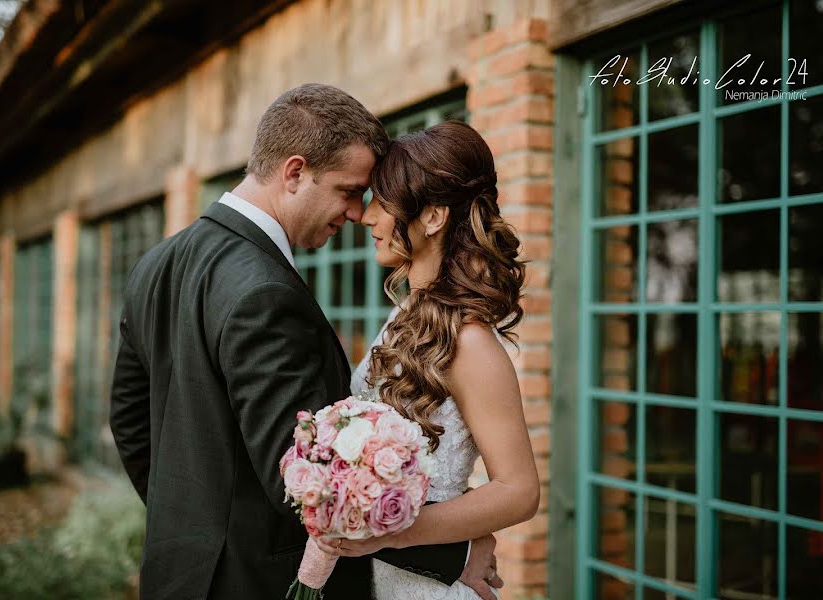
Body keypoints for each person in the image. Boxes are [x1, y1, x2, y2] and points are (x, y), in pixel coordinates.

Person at [109, 84, 501, 599]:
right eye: (347, 191)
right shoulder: (264, 290)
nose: (358, 214)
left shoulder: (156, 263)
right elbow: (303, 483)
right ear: (294, 172)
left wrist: (189, 528)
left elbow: (131, 424)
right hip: (255, 583)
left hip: (174, 574)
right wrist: (456, 554)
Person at [313, 121, 540, 599]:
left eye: (383, 203)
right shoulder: (404, 315)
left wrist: (394, 532)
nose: (367, 218)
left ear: (433, 217)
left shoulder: (471, 342)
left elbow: (519, 490)